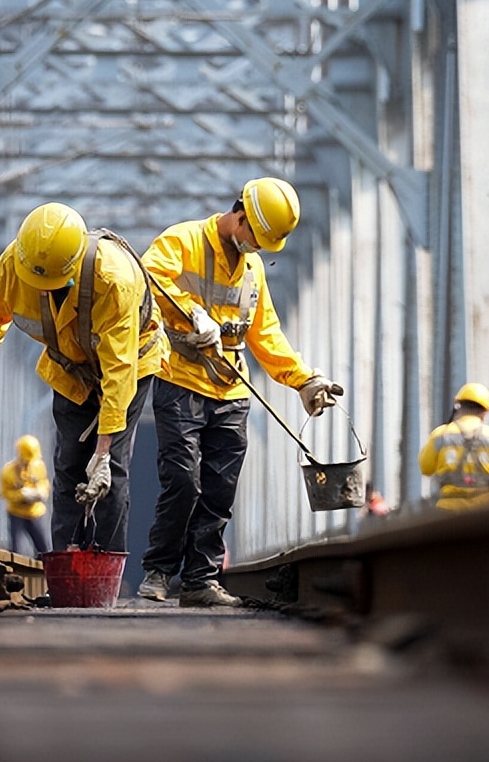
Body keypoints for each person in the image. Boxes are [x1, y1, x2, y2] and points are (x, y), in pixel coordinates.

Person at [137, 178, 342, 607]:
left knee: (219, 489)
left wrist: (303, 379)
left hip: (231, 389)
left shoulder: (251, 271)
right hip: (180, 379)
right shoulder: (184, 240)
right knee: (181, 480)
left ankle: (199, 580)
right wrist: (191, 313)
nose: (260, 249)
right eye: (257, 237)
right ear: (241, 217)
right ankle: (159, 571)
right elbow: (148, 280)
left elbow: (266, 334)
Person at [0, 202, 166, 553]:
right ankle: (66, 565)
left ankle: (104, 569)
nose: (43, 289)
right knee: (68, 466)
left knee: (110, 474)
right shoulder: (19, 261)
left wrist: (104, 451)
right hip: (70, 367)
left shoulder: (114, 281)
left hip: (131, 366)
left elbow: (119, 370)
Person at [419, 382, 489, 511]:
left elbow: (425, 468)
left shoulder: (440, 435)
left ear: (458, 405)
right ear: (485, 411)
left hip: (447, 512)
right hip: (482, 514)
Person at [0, 434, 51, 557]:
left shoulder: (39, 467)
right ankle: (16, 572)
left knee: (44, 549)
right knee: (16, 549)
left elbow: (44, 482)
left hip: (35, 513)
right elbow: (5, 493)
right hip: (16, 513)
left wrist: (41, 492)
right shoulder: (8, 472)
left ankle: (44, 571)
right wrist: (21, 495)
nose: (28, 464)